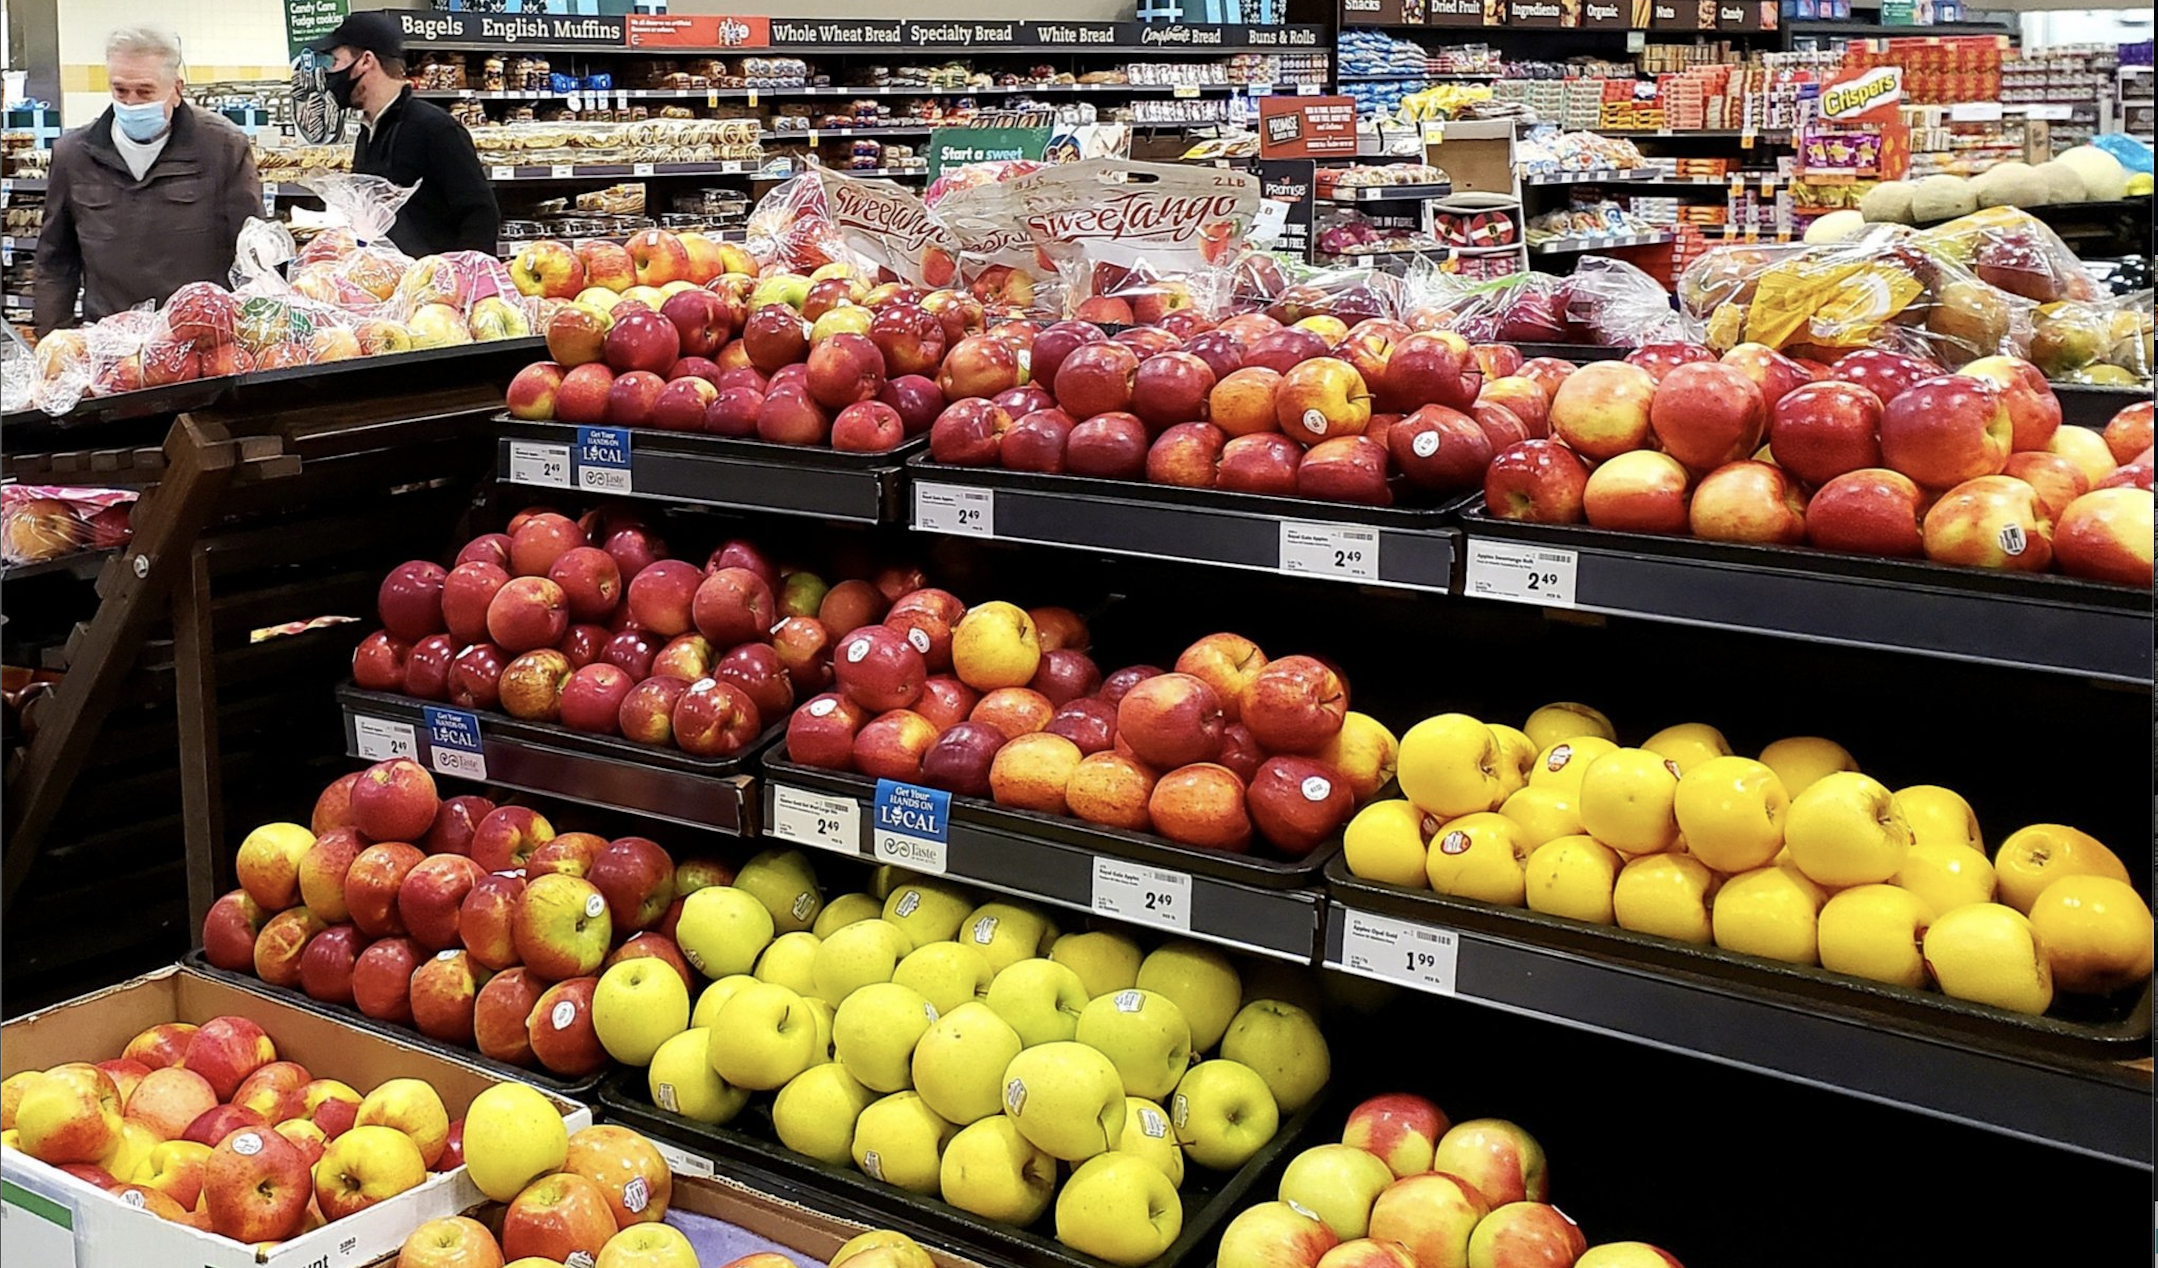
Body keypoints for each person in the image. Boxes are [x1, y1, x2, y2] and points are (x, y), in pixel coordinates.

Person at [34, 26, 262, 336]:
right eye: (120, 91)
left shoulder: (222, 147)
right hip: (111, 344)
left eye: (145, 91)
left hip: (200, 340)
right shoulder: (74, 154)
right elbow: (55, 260)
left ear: (177, 89)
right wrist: (52, 341)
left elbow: (253, 250)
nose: (131, 103)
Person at [311, 12, 500, 257]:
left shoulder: (434, 128)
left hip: (435, 288)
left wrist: (461, 281)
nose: (331, 73)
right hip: (392, 286)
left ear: (366, 61)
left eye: (336, 61)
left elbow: (480, 214)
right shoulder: (367, 132)